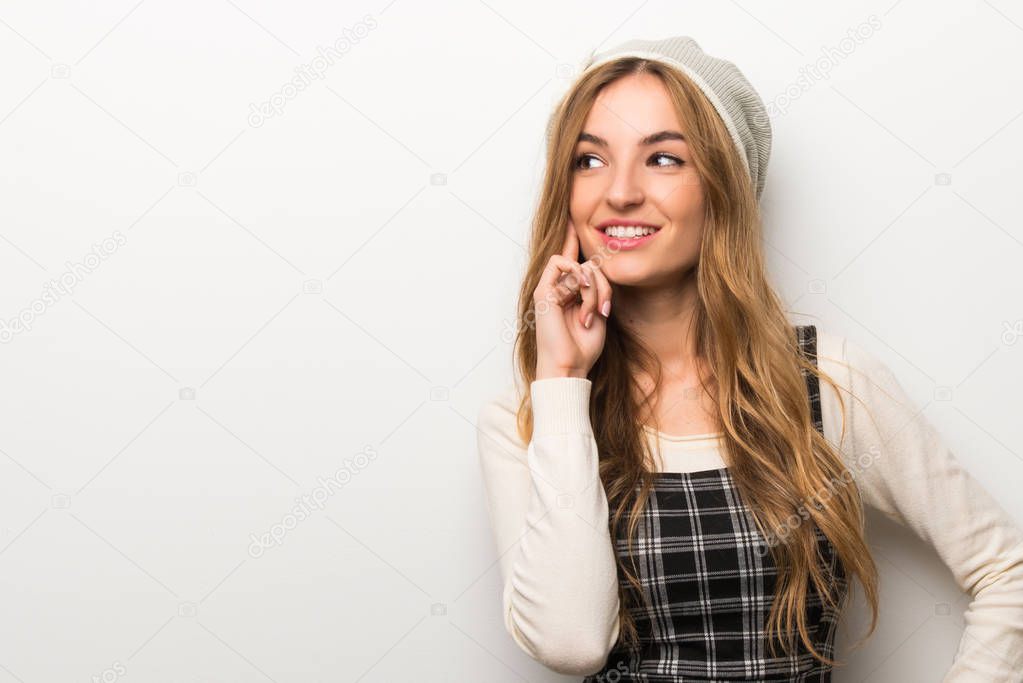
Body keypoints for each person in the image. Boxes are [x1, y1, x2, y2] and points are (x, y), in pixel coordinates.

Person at [476, 36, 1023, 681]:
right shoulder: (529, 420)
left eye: (663, 159)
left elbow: (1005, 572)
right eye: (589, 160)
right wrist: (563, 379)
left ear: (724, 188)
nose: (619, 192)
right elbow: (573, 645)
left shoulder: (829, 386)